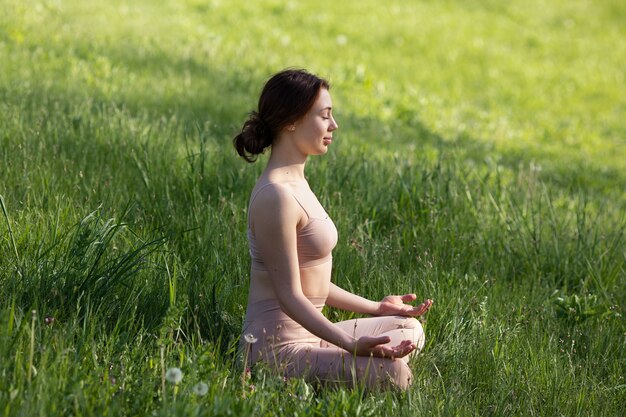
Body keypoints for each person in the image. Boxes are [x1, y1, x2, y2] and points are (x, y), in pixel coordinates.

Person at [233, 69, 433, 390]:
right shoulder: (276, 196)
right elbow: (290, 296)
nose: (334, 125)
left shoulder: (296, 181)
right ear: (291, 122)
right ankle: (333, 371)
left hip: (313, 335)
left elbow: (314, 284)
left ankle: (352, 364)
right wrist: (349, 344)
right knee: (397, 377)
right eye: (324, 116)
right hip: (276, 350)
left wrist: (376, 307)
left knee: (407, 327)